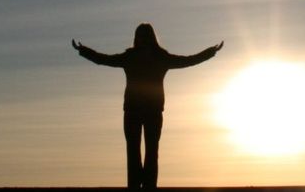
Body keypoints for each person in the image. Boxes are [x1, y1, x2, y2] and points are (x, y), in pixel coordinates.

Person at [73, 23, 223, 189]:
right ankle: (135, 187)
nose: (143, 39)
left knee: (151, 152)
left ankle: (150, 187)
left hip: (152, 111)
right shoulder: (130, 57)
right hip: (133, 111)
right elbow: (105, 59)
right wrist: (84, 51)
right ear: (136, 38)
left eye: (145, 36)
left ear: (151, 38)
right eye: (140, 35)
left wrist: (210, 52)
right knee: (133, 152)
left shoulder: (161, 57)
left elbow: (187, 61)